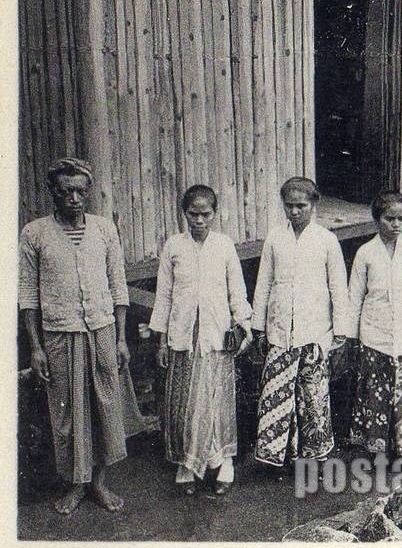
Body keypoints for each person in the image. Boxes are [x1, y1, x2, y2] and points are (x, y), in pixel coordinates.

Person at [18, 157, 144, 514]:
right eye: (65, 192)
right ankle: (76, 485)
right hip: (59, 334)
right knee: (68, 413)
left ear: (88, 193)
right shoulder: (35, 233)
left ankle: (99, 483)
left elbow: (118, 286)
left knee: (105, 407)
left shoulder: (104, 230)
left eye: (80, 191)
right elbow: (28, 295)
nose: (73, 198)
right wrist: (36, 348)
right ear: (53, 193)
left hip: (102, 330)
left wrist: (121, 338)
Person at [149, 185, 252, 496]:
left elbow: (237, 291)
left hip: (216, 334)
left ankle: (224, 461)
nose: (199, 220)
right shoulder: (174, 246)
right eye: (193, 214)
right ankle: (187, 463)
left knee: (217, 399)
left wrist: (244, 326)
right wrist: (162, 341)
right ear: (184, 213)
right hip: (184, 335)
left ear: (214, 214)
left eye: (205, 214)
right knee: (186, 402)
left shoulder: (224, 246)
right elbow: (164, 296)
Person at [251, 177, 350, 467]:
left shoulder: (326, 240)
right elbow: (263, 284)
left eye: (301, 206)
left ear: (314, 204)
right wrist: (259, 327)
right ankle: (280, 454)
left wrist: (340, 333)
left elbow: (338, 289)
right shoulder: (274, 239)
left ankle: (314, 455)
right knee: (276, 396)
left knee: (312, 398)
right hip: (280, 332)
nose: (294, 211)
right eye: (289, 206)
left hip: (315, 332)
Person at [348, 191, 402, 461]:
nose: (396, 224)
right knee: (375, 396)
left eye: (401, 218)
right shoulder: (366, 253)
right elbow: (355, 297)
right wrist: (351, 336)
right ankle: (376, 451)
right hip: (374, 334)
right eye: (390, 219)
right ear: (377, 220)